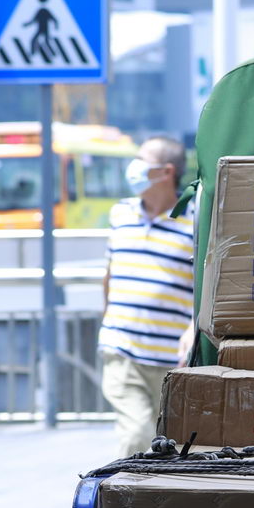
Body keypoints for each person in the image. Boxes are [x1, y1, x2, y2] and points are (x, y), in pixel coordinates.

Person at [98, 136, 196, 457]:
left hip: (171, 360)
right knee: (137, 432)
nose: (133, 168)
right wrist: (109, 323)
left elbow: (206, 285)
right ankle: (122, 501)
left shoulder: (195, 219)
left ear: (166, 171)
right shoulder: (120, 214)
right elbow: (109, 275)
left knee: (169, 443)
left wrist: (192, 328)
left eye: (142, 160)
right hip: (122, 350)